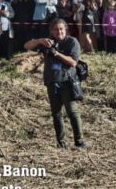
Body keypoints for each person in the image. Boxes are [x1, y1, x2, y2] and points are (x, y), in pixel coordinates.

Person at [24, 19, 84, 148]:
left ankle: (79, 142)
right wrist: (40, 41)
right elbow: (26, 46)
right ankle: (61, 143)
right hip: (52, 82)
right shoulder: (48, 42)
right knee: (56, 114)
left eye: (61, 29)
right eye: (56, 29)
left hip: (67, 81)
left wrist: (56, 53)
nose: (59, 32)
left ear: (65, 29)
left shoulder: (72, 42)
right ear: (51, 31)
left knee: (72, 112)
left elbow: (73, 62)